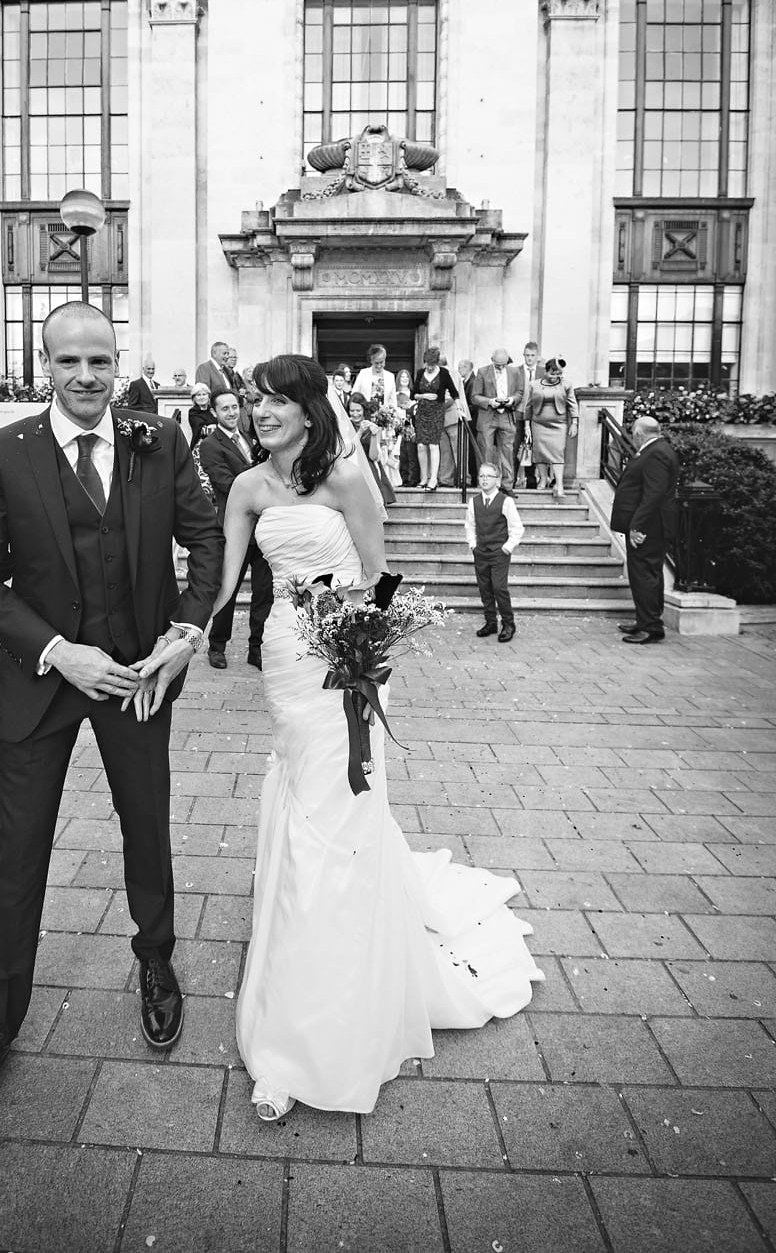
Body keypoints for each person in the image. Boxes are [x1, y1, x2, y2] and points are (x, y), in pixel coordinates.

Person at [162, 353, 541, 1121]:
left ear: (309, 409)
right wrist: (183, 632)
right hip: (284, 658)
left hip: (348, 658)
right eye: (252, 399)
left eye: (275, 400)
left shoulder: (343, 476)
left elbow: (381, 571)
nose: (259, 410)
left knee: (335, 810)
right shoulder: (246, 487)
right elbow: (223, 583)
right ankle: (303, 968)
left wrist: (370, 646)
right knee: (304, 794)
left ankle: (314, 1023)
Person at [0, 302, 223, 1144]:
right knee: (16, 851)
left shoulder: (157, 440)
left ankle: (156, 960)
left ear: (115, 361)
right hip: (44, 681)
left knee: (147, 827)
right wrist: (59, 651)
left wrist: (184, 633)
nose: (88, 377)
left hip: (137, 676)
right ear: (46, 364)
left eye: (101, 361)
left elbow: (205, 543)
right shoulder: (2, 453)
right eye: (71, 363)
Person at [198, 389, 274, 671]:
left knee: (264, 592)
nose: (231, 412)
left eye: (234, 407)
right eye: (224, 409)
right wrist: (265, 489)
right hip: (235, 528)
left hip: (264, 528)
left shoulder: (251, 437)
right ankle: (217, 646)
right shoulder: (210, 445)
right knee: (227, 590)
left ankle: (257, 649)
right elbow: (226, 484)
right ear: (215, 413)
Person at [611, 415, 679, 645]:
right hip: (652, 525)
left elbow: (654, 494)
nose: (634, 438)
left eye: (633, 434)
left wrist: (637, 526)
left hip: (649, 527)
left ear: (639, 433)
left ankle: (651, 626)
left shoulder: (657, 453)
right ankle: (645, 621)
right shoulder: (659, 449)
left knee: (644, 575)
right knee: (647, 574)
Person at [465, 461, 524, 643]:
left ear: (497, 480)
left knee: (499, 588)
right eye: (481, 476)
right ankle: (490, 622)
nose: (484, 479)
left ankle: (508, 623)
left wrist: (507, 547)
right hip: (481, 551)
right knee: (485, 588)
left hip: (499, 552)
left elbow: (517, 528)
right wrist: (473, 544)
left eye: (488, 476)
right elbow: (470, 525)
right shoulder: (474, 502)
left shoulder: (505, 502)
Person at [470, 348, 523, 495]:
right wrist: (490, 401)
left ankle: (507, 486)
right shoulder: (482, 372)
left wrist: (511, 400)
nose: (500, 367)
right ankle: (485, 485)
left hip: (507, 415)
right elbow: (474, 397)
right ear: (492, 360)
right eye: (498, 365)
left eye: (503, 365)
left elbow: (520, 392)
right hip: (488, 415)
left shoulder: (514, 372)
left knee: (507, 451)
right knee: (485, 451)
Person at [527, 358, 579, 501]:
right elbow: (528, 406)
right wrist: (526, 426)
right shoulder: (534, 385)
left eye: (557, 375)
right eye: (552, 374)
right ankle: (543, 479)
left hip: (559, 424)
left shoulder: (566, 385)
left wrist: (574, 422)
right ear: (545, 371)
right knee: (540, 452)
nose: (554, 377)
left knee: (557, 453)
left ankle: (559, 484)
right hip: (538, 423)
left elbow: (572, 404)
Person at [411, 347, 458, 491]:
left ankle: (433, 479)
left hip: (437, 411)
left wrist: (459, 408)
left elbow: (455, 393)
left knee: (433, 445)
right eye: (427, 364)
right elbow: (413, 394)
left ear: (437, 363)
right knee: (421, 445)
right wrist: (423, 396)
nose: (429, 367)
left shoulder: (444, 373)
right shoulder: (420, 373)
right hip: (422, 412)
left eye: (432, 364)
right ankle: (423, 478)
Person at [349, 391, 396, 507]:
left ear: (364, 410)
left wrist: (374, 435)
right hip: (351, 467)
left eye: (358, 410)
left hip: (369, 468)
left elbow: (374, 456)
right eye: (352, 411)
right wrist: (360, 432)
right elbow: (348, 449)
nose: (355, 414)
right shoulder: (344, 426)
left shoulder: (372, 426)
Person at [513, 342, 542, 490]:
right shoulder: (516, 371)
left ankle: (531, 480)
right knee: (515, 446)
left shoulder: (543, 372)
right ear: (523, 355)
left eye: (532, 355)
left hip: (537, 417)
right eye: (527, 355)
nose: (529, 358)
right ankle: (511, 479)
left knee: (534, 447)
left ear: (537, 356)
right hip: (518, 414)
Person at [351, 343, 396, 412]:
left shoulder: (390, 376)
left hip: (383, 415)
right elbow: (354, 394)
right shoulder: (363, 373)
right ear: (371, 361)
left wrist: (392, 412)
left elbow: (393, 400)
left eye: (381, 362)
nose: (379, 365)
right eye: (376, 363)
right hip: (365, 413)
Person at [457, 358, 480, 487]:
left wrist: (461, 410)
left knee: (472, 450)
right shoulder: (466, 381)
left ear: (466, 368)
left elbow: (472, 403)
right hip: (470, 419)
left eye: (460, 367)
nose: (459, 370)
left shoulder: (473, 381)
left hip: (472, 420)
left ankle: (474, 477)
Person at [188, 383, 217, 449]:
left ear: (208, 396)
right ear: (194, 398)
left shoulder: (213, 409)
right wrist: (216, 426)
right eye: (198, 395)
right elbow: (202, 430)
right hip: (201, 446)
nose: (202, 397)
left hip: (217, 444)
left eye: (204, 394)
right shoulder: (193, 412)